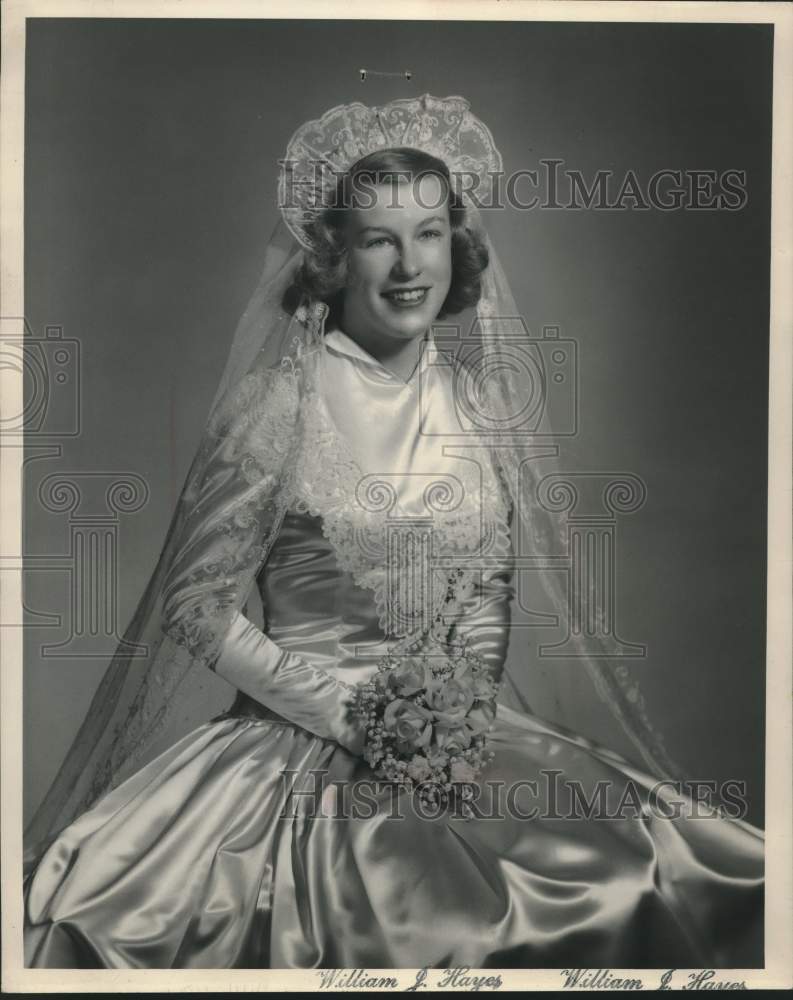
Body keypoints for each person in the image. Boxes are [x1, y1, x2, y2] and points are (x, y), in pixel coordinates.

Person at [23, 94, 763, 969]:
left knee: (671, 874)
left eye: (428, 233)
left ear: (458, 244)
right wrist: (357, 720)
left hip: (463, 743)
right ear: (334, 257)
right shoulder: (277, 410)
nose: (409, 265)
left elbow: (488, 592)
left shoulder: (477, 407)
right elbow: (196, 604)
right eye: (379, 238)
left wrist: (456, 719)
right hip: (291, 755)